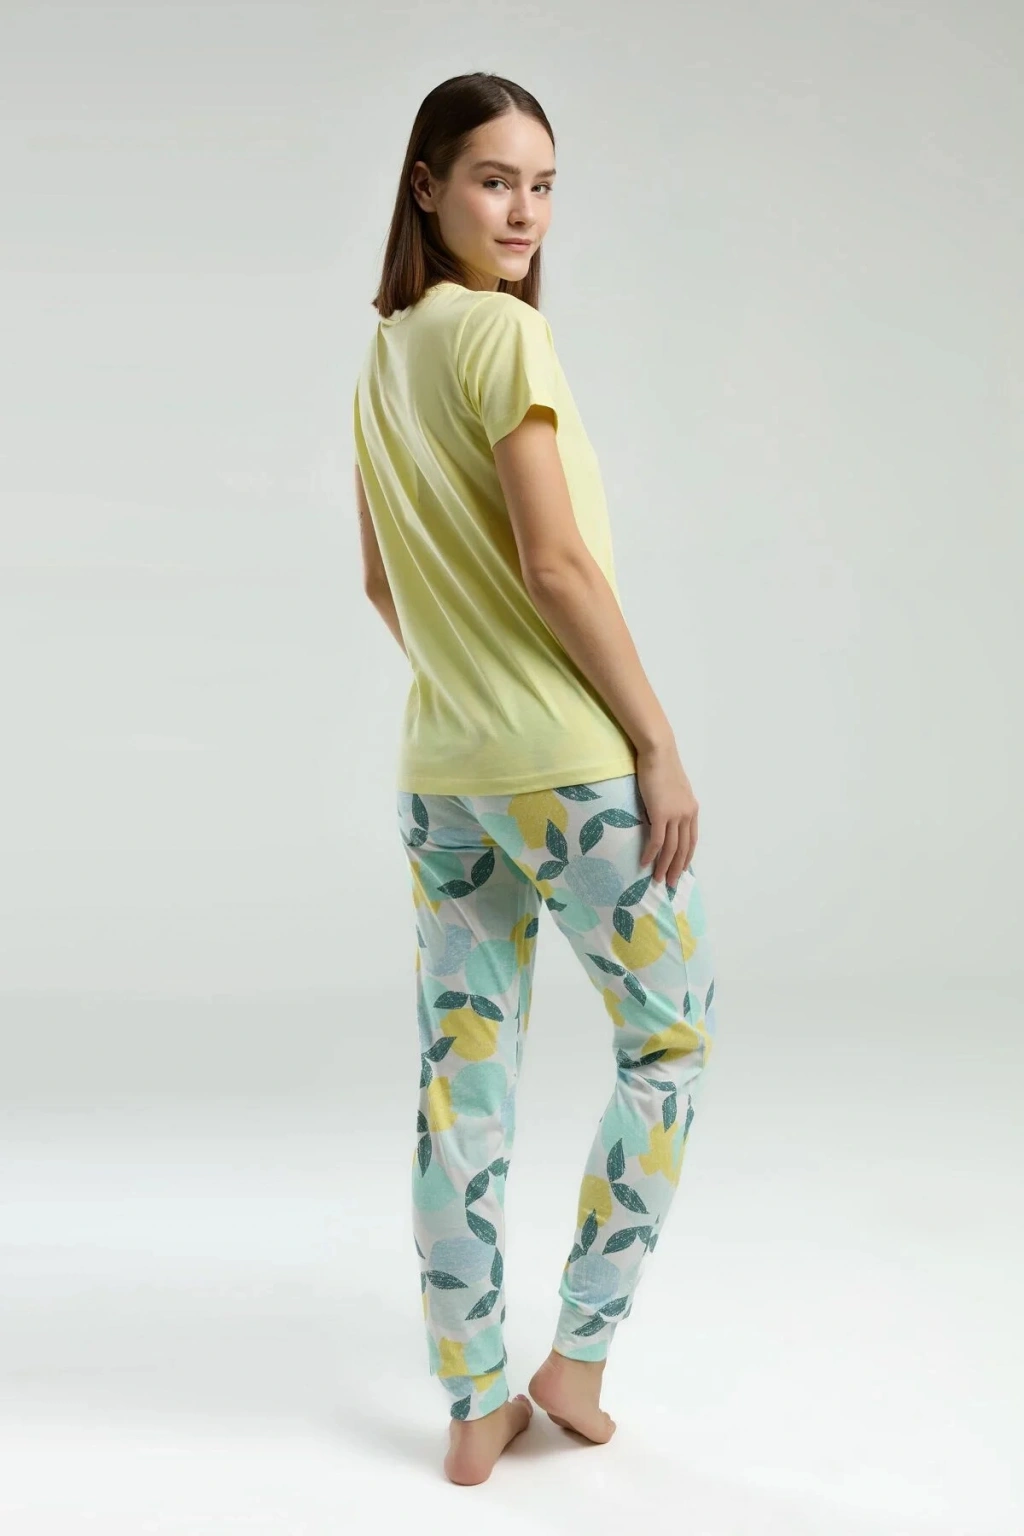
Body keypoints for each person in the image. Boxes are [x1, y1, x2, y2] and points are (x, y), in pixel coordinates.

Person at [353, 71, 719, 1486]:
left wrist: (469, 684)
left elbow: (382, 583)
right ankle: (575, 1359)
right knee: (668, 1045)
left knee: (462, 1081)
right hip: (568, 772)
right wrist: (655, 743)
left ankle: (471, 1406)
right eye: (495, 180)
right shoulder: (503, 336)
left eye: (545, 185)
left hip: (442, 774)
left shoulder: (384, 356)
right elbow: (555, 564)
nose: (524, 212)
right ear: (428, 185)